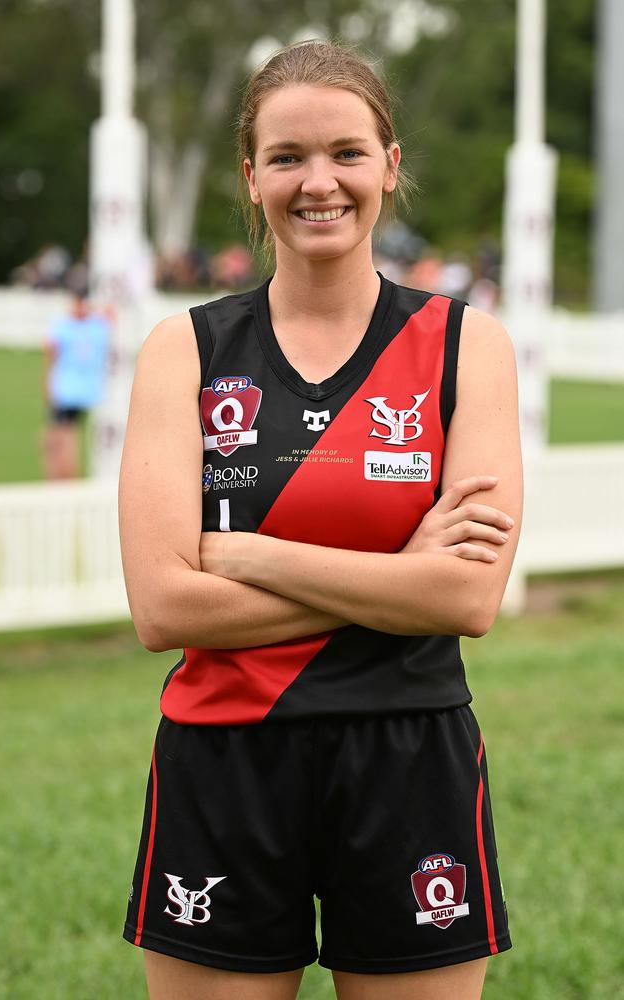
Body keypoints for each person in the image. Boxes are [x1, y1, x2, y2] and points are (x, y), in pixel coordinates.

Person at [118, 39, 522, 1000]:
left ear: (389, 163)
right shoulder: (186, 349)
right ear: (251, 176)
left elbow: (466, 596)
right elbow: (164, 610)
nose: (319, 183)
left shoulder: (468, 345)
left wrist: (247, 554)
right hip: (224, 758)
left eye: (346, 152)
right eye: (289, 158)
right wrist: (398, 577)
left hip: (409, 752)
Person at [41, 292, 110, 479]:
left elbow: (50, 351)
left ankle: (65, 477)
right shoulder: (97, 325)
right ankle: (63, 475)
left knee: (64, 434)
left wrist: (47, 382)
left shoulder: (69, 326)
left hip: (69, 391)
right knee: (60, 434)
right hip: (77, 389)